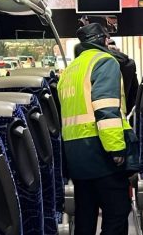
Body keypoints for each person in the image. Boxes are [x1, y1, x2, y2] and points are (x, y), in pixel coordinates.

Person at [58, 23, 138, 235]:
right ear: (104, 40)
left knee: (85, 214)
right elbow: (106, 108)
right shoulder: (104, 62)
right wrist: (116, 149)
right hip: (99, 149)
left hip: (75, 153)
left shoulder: (69, 70)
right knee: (118, 210)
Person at [106, 39, 139, 115]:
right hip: (124, 111)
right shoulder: (129, 65)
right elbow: (135, 91)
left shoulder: (102, 64)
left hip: (106, 111)